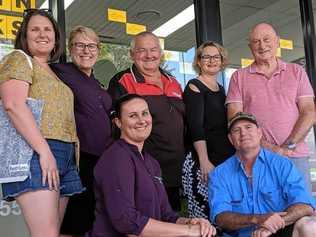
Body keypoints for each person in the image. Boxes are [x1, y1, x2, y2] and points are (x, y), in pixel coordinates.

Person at [0, 9, 84, 237]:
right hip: (38, 151)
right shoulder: (19, 58)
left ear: (56, 37)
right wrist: (44, 151)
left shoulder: (54, 72)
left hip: (65, 154)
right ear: (24, 37)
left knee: (52, 233)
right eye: (34, 29)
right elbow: (13, 104)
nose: (42, 34)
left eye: (47, 29)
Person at [87, 94, 217, 237]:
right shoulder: (116, 157)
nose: (141, 120)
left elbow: (166, 216)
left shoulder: (151, 163)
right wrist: (188, 231)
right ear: (118, 122)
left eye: (145, 113)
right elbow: (126, 220)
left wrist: (191, 223)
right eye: (132, 116)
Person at [226, 22, 316, 191]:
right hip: (256, 157)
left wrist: (286, 147)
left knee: (302, 211)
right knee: (264, 214)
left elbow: (309, 112)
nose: (262, 45)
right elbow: (234, 119)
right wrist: (271, 149)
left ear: (277, 42)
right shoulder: (239, 77)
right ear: (250, 46)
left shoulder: (296, 71)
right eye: (256, 41)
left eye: (267, 39)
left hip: (294, 157)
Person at [108, 31, 185, 210]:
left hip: (175, 170)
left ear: (160, 53)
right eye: (142, 50)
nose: (149, 55)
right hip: (143, 169)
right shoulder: (123, 81)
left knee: (171, 219)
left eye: (153, 49)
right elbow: (116, 127)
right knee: (146, 221)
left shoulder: (173, 81)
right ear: (132, 54)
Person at [208, 112, 316, 237]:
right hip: (241, 235)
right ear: (231, 139)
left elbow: (305, 205)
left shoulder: (281, 164)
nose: (243, 133)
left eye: (248, 127)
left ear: (259, 133)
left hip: (278, 231)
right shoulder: (219, 173)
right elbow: (220, 216)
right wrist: (258, 219)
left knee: (310, 227)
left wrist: (272, 226)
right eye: (237, 130)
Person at [50, 26, 113, 237]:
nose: (86, 50)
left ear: (98, 49)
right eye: (80, 45)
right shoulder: (60, 72)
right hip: (77, 158)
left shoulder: (97, 83)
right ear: (70, 48)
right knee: (73, 220)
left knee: (92, 218)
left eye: (91, 45)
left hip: (101, 159)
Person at [182, 41, 235, 218]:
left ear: (222, 61)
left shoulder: (221, 89)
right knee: (206, 215)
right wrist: (204, 161)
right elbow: (195, 126)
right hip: (204, 160)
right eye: (206, 56)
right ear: (198, 61)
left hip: (223, 158)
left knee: (225, 212)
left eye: (215, 57)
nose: (211, 60)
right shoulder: (194, 86)